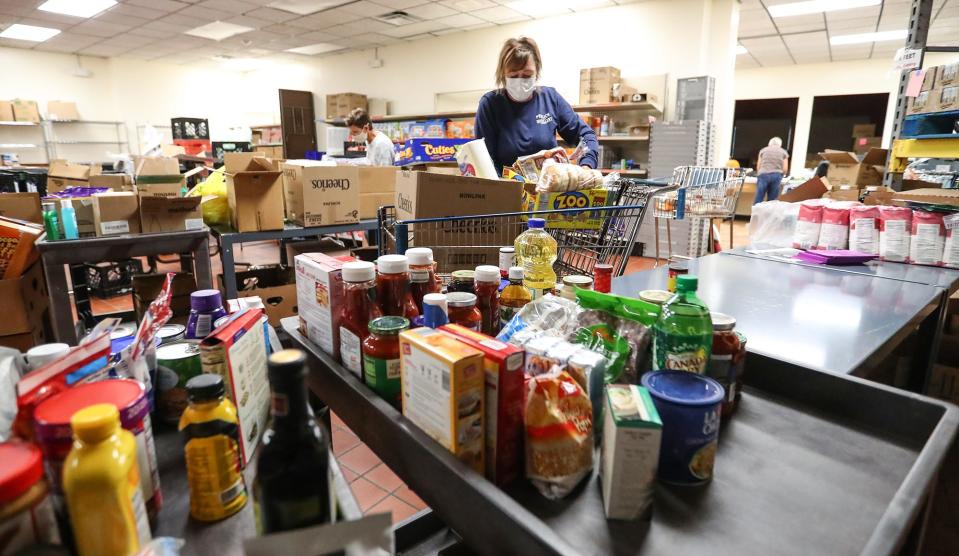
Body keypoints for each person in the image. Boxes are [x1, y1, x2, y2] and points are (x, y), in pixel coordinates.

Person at [475, 37, 598, 173]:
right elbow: (484, 161)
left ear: (537, 71)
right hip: (507, 189)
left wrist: (587, 164)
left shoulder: (550, 98)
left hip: (548, 187)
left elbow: (586, 135)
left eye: (527, 75)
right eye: (513, 76)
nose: (520, 80)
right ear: (503, 75)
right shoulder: (490, 105)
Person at [754, 137, 789, 204]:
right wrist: (782, 175)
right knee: (772, 200)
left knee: (759, 197)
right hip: (776, 176)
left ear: (769, 144)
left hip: (763, 175)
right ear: (780, 144)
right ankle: (769, 214)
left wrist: (760, 173)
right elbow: (785, 168)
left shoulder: (763, 150)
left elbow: (758, 166)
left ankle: (755, 213)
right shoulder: (783, 152)